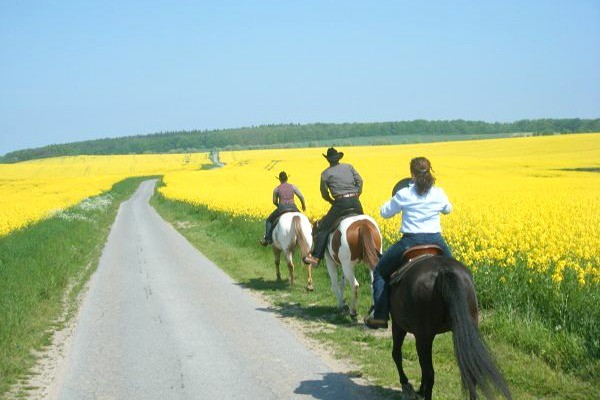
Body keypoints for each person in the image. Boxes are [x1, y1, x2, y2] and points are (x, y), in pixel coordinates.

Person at [364, 157, 453, 329]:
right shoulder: (438, 192)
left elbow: (384, 213)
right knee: (456, 273)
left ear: (412, 175)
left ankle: (381, 316)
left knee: (380, 271)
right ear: (429, 172)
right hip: (436, 241)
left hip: (411, 242)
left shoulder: (404, 194)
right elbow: (448, 209)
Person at [302, 147, 363, 266]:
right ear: (338, 158)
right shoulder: (349, 167)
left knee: (323, 227)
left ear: (328, 160)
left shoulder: (325, 173)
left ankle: (316, 257)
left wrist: (331, 200)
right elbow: (360, 181)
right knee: (364, 224)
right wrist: (357, 194)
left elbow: (324, 193)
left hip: (340, 204)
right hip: (356, 202)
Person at [260, 171, 306, 246]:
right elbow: (301, 196)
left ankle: (267, 239)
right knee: (303, 219)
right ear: (287, 178)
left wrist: (279, 206)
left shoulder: (276, 189)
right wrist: (303, 206)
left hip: (282, 208)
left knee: (269, 220)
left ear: (280, 179)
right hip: (293, 208)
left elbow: (274, 201)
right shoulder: (293, 187)